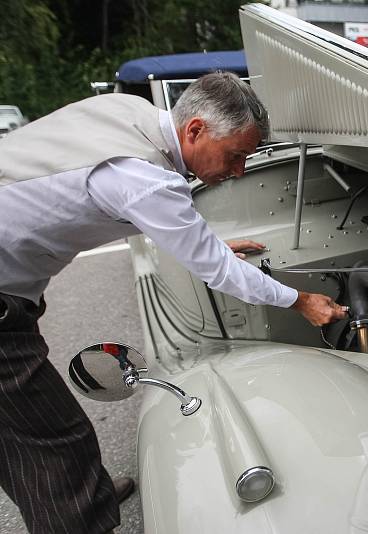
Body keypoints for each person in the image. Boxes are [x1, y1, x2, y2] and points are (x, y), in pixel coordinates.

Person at [0, 71, 347, 534]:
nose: (239, 171)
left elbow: (111, 198)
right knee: (61, 440)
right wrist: (300, 300)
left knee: (16, 435)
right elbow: (213, 269)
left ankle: (71, 496)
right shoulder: (145, 177)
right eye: (237, 155)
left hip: (13, 286)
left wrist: (212, 247)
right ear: (196, 130)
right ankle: (76, 514)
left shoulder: (131, 116)